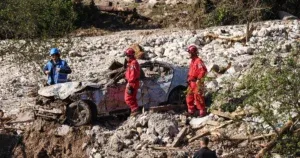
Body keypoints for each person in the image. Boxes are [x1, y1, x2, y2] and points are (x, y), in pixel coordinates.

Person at [186, 45, 208, 117]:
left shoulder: (198, 61)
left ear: (193, 52)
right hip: (191, 82)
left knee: (198, 96)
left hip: (196, 82)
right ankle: (191, 111)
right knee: (189, 96)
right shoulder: (192, 61)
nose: (188, 54)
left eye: (189, 52)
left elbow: (203, 71)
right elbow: (191, 72)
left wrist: (199, 79)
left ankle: (202, 111)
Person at [124, 48, 140, 117]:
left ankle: (135, 110)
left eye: (127, 56)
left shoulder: (133, 63)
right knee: (132, 98)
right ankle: (134, 111)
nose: (126, 58)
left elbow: (133, 75)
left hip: (132, 83)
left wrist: (129, 83)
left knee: (128, 98)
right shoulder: (131, 63)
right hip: (133, 82)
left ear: (129, 56)